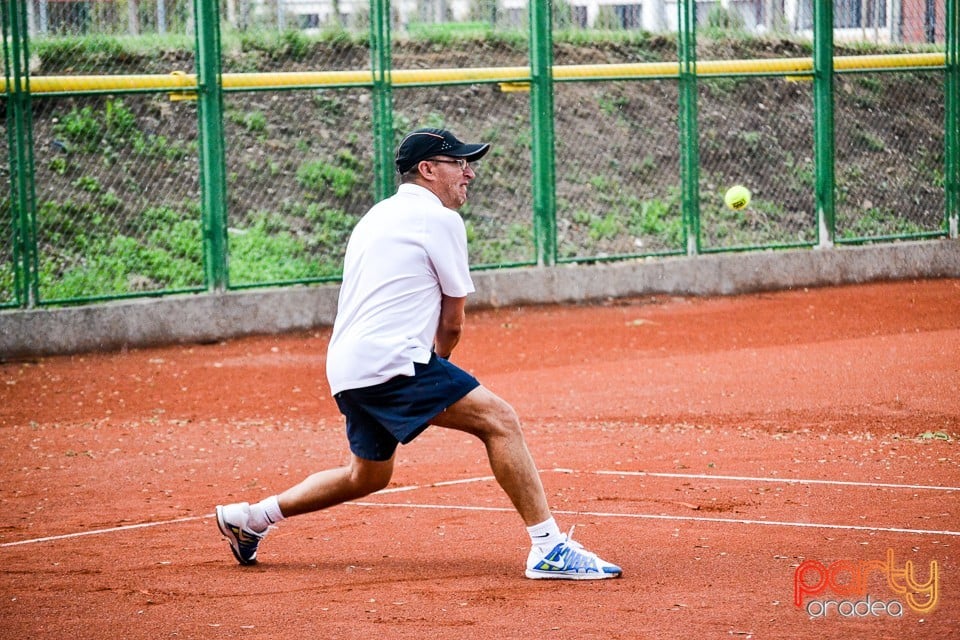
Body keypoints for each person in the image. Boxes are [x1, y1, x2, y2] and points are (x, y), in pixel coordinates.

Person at [216, 127, 621, 580]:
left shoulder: (376, 215)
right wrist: (439, 365)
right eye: (459, 164)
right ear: (427, 170)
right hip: (391, 360)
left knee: (366, 476)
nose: (469, 173)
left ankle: (250, 519)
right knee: (500, 420)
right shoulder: (439, 219)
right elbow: (452, 322)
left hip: (349, 365)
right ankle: (549, 548)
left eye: (470, 164)